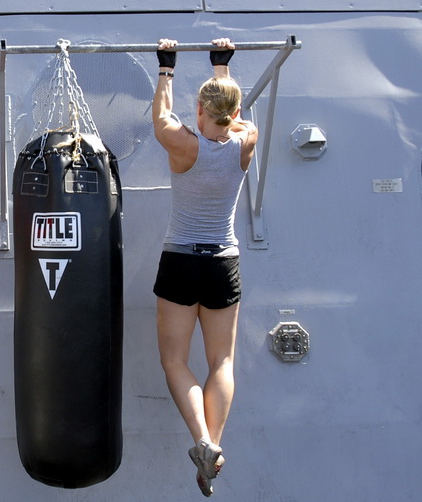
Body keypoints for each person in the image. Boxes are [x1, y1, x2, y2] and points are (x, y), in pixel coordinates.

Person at [151, 38, 258, 497]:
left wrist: (166, 67)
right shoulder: (245, 139)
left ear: (198, 109)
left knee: (175, 360)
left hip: (180, 260)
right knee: (223, 361)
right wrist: (222, 65)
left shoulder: (181, 145)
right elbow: (230, 113)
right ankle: (214, 445)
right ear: (234, 111)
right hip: (223, 263)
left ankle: (201, 438)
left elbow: (160, 115)